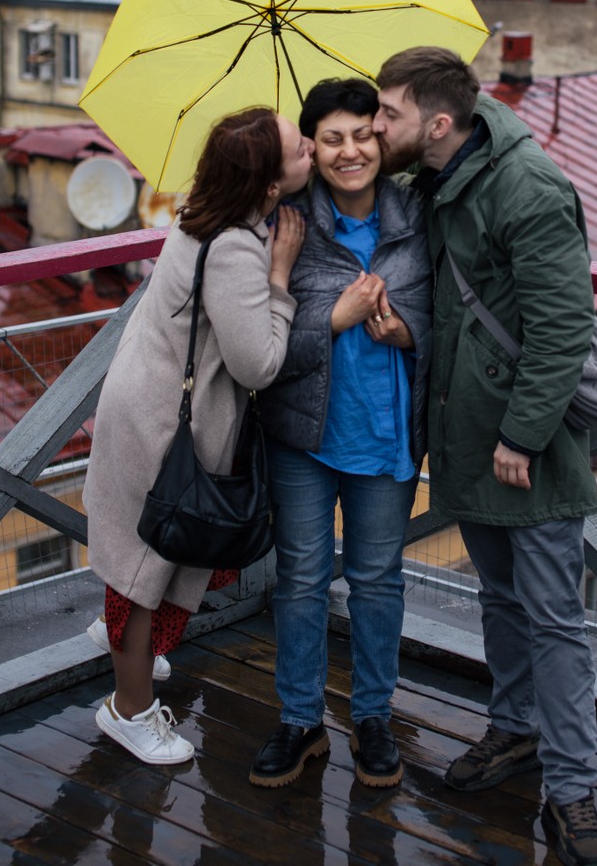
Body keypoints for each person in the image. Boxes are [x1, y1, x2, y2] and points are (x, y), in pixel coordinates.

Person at [372, 48, 597, 866]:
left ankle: (573, 794)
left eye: (389, 114)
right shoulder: (433, 184)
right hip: (465, 438)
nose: (377, 127)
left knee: (554, 620)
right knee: (502, 602)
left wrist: (523, 436)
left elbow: (561, 328)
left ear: (438, 123)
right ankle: (512, 731)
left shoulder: (528, 187)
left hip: (525, 451)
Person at [83, 107, 313, 766]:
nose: (310, 155)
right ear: (269, 186)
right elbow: (258, 363)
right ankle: (128, 712)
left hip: (144, 406)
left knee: (139, 556)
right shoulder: (238, 247)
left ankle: (132, 657)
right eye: (300, 150)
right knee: (142, 569)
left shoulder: (198, 214)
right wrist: (281, 281)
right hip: (163, 429)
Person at [251, 78, 432, 790]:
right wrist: (334, 318)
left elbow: (446, 317)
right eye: (331, 138)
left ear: (381, 141)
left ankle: (374, 717)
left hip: (386, 439)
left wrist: (410, 331)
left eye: (362, 134)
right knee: (299, 580)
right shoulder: (286, 224)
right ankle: (299, 720)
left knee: (378, 582)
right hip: (303, 436)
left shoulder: (419, 215)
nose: (350, 150)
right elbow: (261, 351)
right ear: (312, 147)